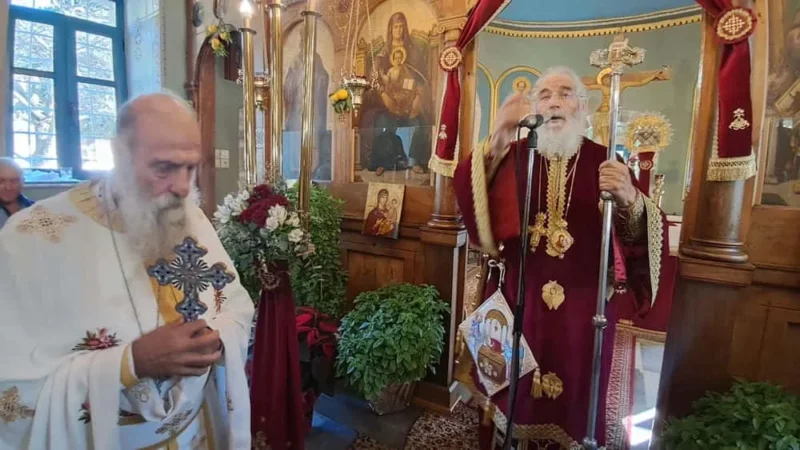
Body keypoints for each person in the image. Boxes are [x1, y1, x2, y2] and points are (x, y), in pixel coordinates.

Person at [0, 93, 254, 449]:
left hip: (195, 432)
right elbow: (13, 384)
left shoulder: (190, 217)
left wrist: (218, 336)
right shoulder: (32, 238)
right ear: (119, 154)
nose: (183, 186)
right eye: (164, 168)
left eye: (191, 167)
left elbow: (235, 304)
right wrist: (131, 363)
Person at [453, 66, 670, 448]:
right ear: (534, 108)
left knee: (575, 389)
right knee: (511, 388)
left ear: (583, 108)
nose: (554, 102)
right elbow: (472, 203)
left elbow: (642, 237)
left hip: (583, 307)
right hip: (517, 297)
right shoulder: (512, 155)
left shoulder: (607, 161)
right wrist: (500, 134)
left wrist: (631, 200)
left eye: (566, 93)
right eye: (545, 94)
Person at [0, 157, 34, 229]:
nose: (8, 187)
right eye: (1, 181)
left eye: (14, 181)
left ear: (23, 182)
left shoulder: (35, 209)